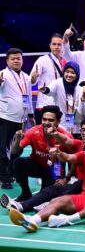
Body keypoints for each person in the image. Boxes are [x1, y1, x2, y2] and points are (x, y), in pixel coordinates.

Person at [9, 127, 85, 232]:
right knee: (56, 201)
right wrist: (59, 153)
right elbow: (68, 158)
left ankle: (69, 219)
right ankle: (32, 220)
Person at [1, 118, 85, 213]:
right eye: (83, 130)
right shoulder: (80, 145)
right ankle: (21, 206)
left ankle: (48, 204)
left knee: (79, 184)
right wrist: (66, 178)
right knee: (51, 190)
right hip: (78, 187)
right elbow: (67, 143)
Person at [11, 106, 74, 201]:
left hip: (53, 172)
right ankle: (25, 192)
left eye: (51, 120)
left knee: (44, 197)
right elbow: (14, 152)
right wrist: (17, 140)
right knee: (18, 162)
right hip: (36, 165)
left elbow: (75, 160)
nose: (47, 123)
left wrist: (66, 178)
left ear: (58, 122)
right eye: (44, 119)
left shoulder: (66, 137)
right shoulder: (33, 132)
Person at [0, 48, 35, 189]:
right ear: (7, 61)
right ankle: (3, 177)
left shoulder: (26, 77)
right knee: (3, 148)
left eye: (18, 58)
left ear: (22, 60)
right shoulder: (2, 75)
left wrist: (31, 115)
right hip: (5, 118)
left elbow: (28, 98)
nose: (16, 60)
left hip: (22, 120)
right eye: (13, 58)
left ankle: (10, 172)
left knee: (17, 148)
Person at [38, 61, 82, 134]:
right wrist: (45, 90)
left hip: (75, 127)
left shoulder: (79, 88)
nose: (69, 75)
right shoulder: (58, 83)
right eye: (67, 72)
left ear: (77, 74)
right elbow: (50, 90)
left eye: (73, 73)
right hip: (60, 126)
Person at [30, 33, 65, 123]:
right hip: (45, 104)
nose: (56, 47)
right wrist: (33, 78)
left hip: (60, 104)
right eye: (54, 44)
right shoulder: (42, 60)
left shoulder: (65, 61)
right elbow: (31, 82)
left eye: (59, 44)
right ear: (50, 46)